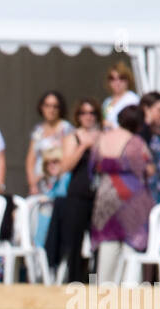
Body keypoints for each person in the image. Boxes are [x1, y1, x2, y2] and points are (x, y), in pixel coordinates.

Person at [89, 105, 154, 283]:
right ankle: (130, 288)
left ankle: (105, 291)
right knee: (131, 244)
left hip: (105, 195)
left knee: (108, 244)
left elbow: (92, 167)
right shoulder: (136, 142)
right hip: (130, 196)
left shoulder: (102, 139)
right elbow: (147, 169)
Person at [44, 98, 101, 284]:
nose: (88, 117)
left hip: (99, 195)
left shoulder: (103, 136)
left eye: (92, 112)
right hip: (77, 194)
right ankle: (74, 280)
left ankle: (95, 280)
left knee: (98, 242)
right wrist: (83, 146)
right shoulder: (72, 137)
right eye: (84, 113)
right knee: (74, 242)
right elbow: (64, 166)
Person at [26, 90, 72, 194]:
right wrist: (32, 183)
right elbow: (31, 159)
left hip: (60, 181)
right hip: (40, 181)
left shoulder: (66, 128)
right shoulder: (38, 130)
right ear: (42, 107)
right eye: (47, 106)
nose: (51, 110)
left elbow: (68, 157)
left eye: (55, 106)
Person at [102, 61, 140, 129]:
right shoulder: (107, 101)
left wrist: (112, 125)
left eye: (121, 78)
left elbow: (135, 124)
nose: (117, 82)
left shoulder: (132, 99)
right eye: (112, 78)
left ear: (128, 80)